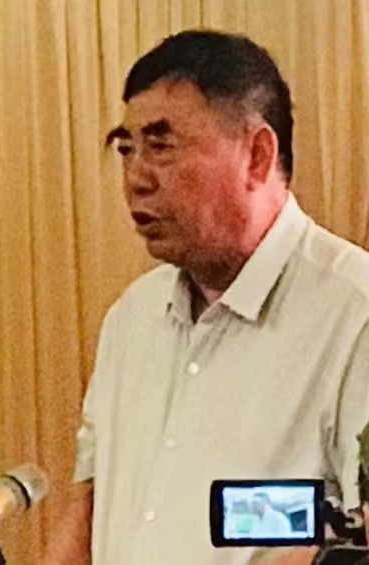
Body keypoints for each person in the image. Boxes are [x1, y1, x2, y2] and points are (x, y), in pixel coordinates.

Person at [40, 29, 369, 565]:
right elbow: (89, 504)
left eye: (161, 146)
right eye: (126, 149)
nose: (136, 178)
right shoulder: (132, 318)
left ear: (257, 155)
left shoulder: (354, 315)